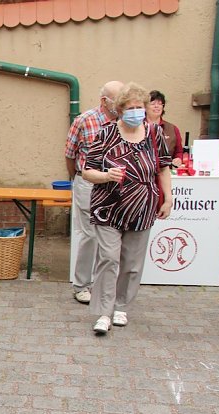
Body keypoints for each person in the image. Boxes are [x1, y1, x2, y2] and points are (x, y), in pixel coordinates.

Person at [82, 82, 173, 334]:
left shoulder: (154, 133)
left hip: (142, 206)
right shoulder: (105, 133)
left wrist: (168, 198)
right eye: (130, 107)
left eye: (139, 107)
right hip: (108, 206)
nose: (136, 111)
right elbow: (86, 171)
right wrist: (106, 175)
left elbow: (163, 167)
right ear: (120, 110)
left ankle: (121, 306)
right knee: (109, 259)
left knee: (132, 262)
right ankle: (103, 312)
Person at [64, 80, 124, 304]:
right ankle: (81, 285)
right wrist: (77, 179)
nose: (121, 105)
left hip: (117, 184)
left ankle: (104, 285)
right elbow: (70, 154)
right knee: (90, 235)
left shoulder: (124, 122)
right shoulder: (84, 120)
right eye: (118, 100)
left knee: (111, 236)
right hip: (88, 183)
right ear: (104, 101)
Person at [146, 90, 183, 167]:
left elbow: (179, 152)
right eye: (153, 104)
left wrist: (178, 159)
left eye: (160, 104)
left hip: (167, 171)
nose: (157, 106)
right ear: (145, 107)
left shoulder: (173, 128)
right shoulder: (139, 127)